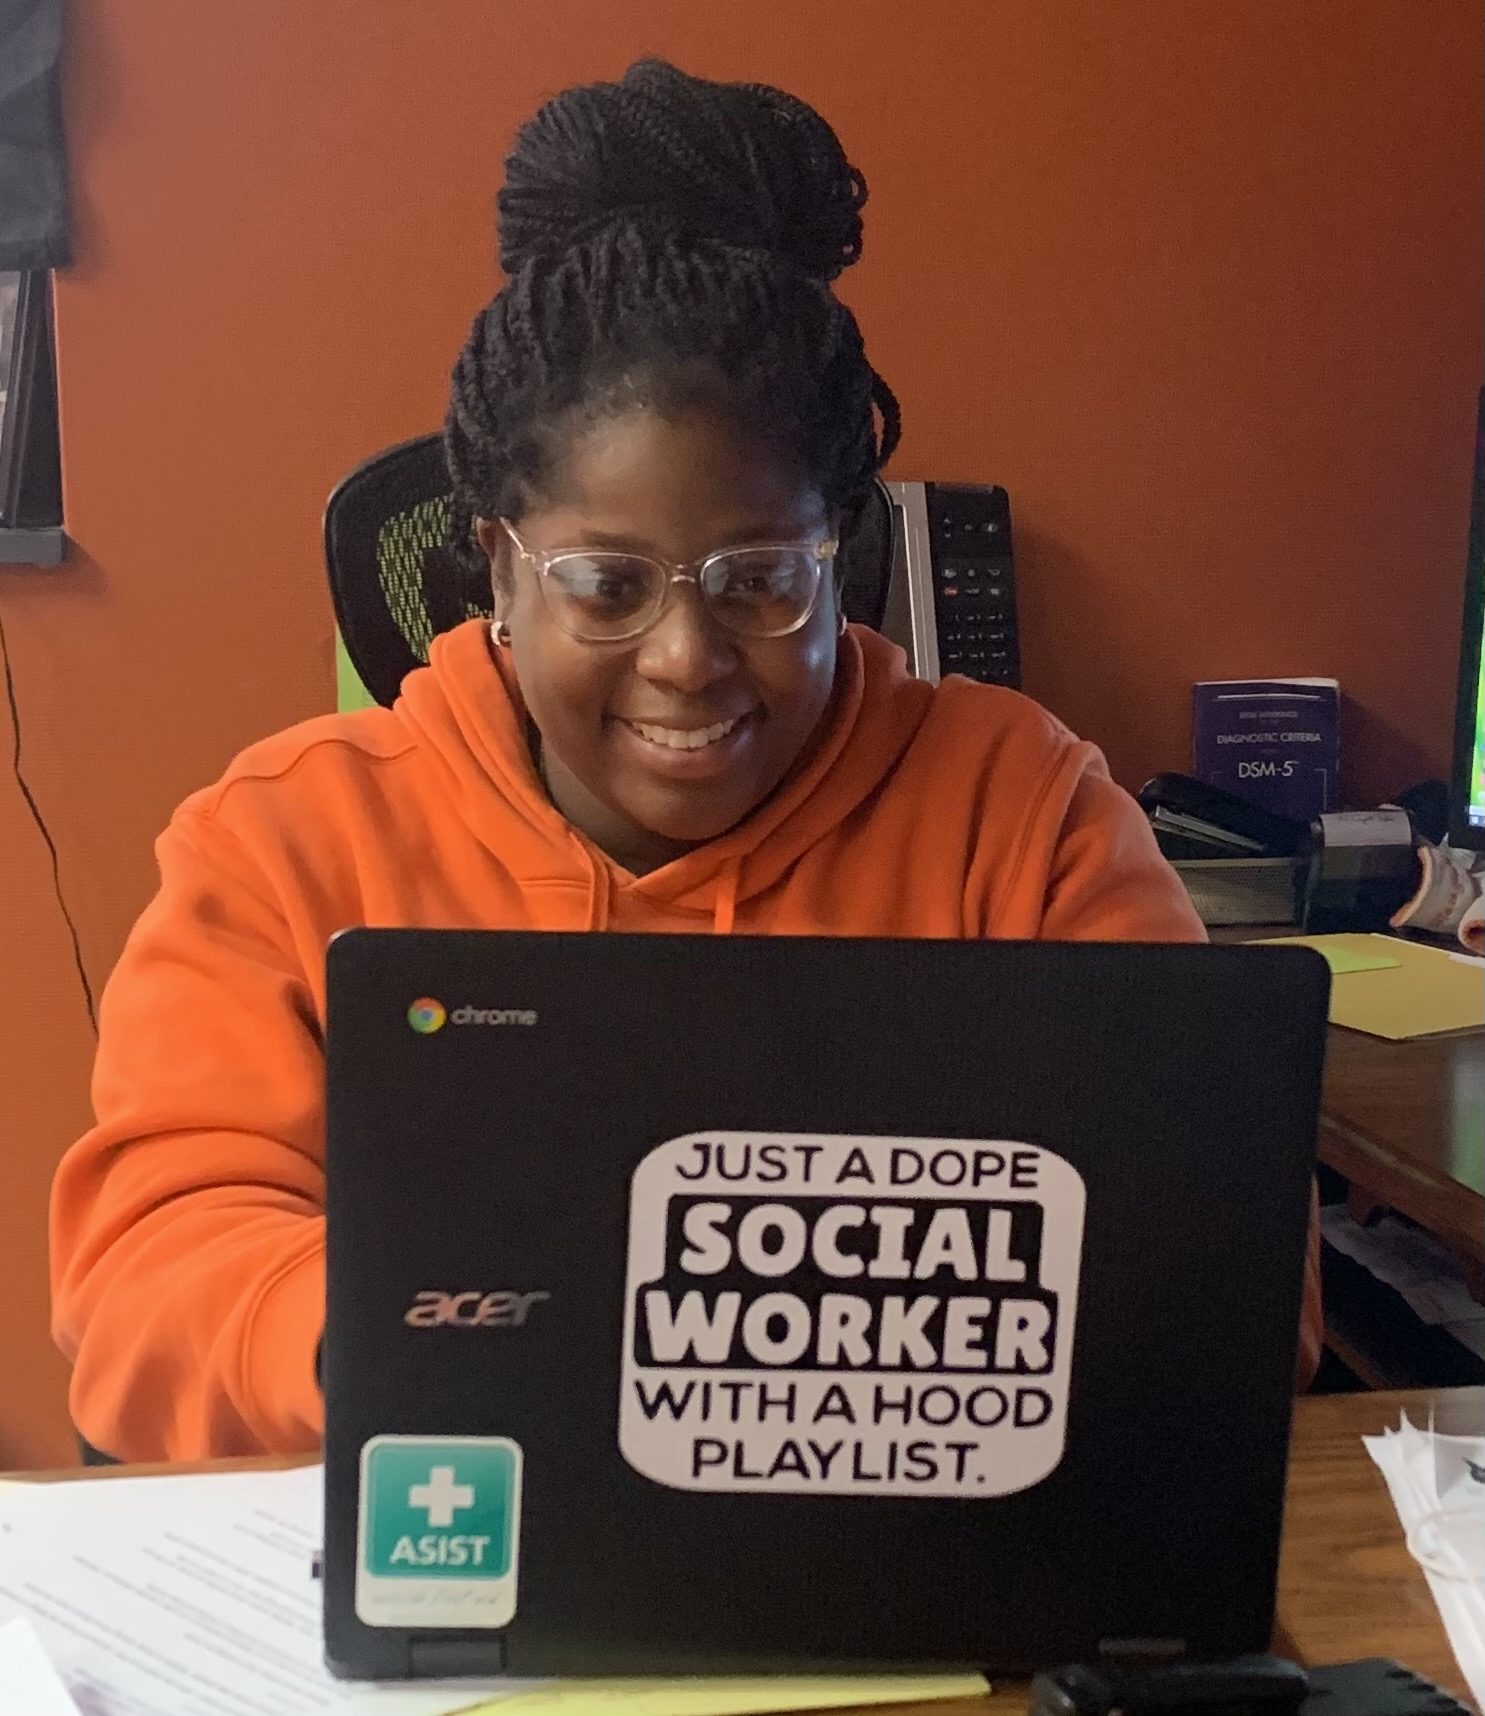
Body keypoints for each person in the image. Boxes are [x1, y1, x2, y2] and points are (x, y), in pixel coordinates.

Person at [50, 60, 1320, 1463]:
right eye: (604, 584)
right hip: (462, 1529)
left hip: (910, 1570)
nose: (684, 658)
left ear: (843, 553)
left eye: (758, 579)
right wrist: (405, 1341)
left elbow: (1234, 1276)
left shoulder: (1021, 817)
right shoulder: (287, 841)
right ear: (494, 569)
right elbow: (144, 1280)